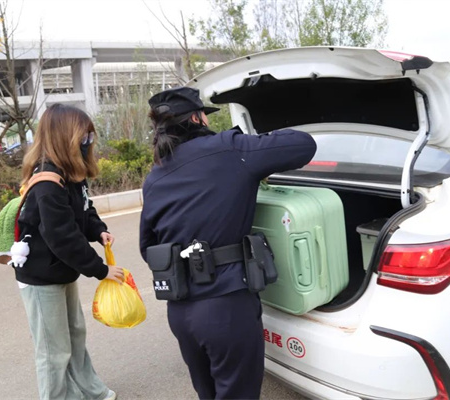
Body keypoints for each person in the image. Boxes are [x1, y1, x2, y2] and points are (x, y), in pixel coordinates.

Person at [139, 87, 317, 399]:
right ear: (197, 118)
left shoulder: (155, 176)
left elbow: (147, 246)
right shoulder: (229, 149)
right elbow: (303, 144)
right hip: (226, 308)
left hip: (180, 312)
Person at [16, 103, 123, 400]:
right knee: (53, 349)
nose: (88, 141)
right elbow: (62, 237)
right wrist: (101, 270)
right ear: (65, 136)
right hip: (40, 276)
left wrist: (97, 230)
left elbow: (85, 210)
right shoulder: (47, 182)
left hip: (61, 269)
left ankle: (90, 390)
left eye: (90, 135)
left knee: (75, 335)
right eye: (83, 135)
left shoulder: (72, 173)